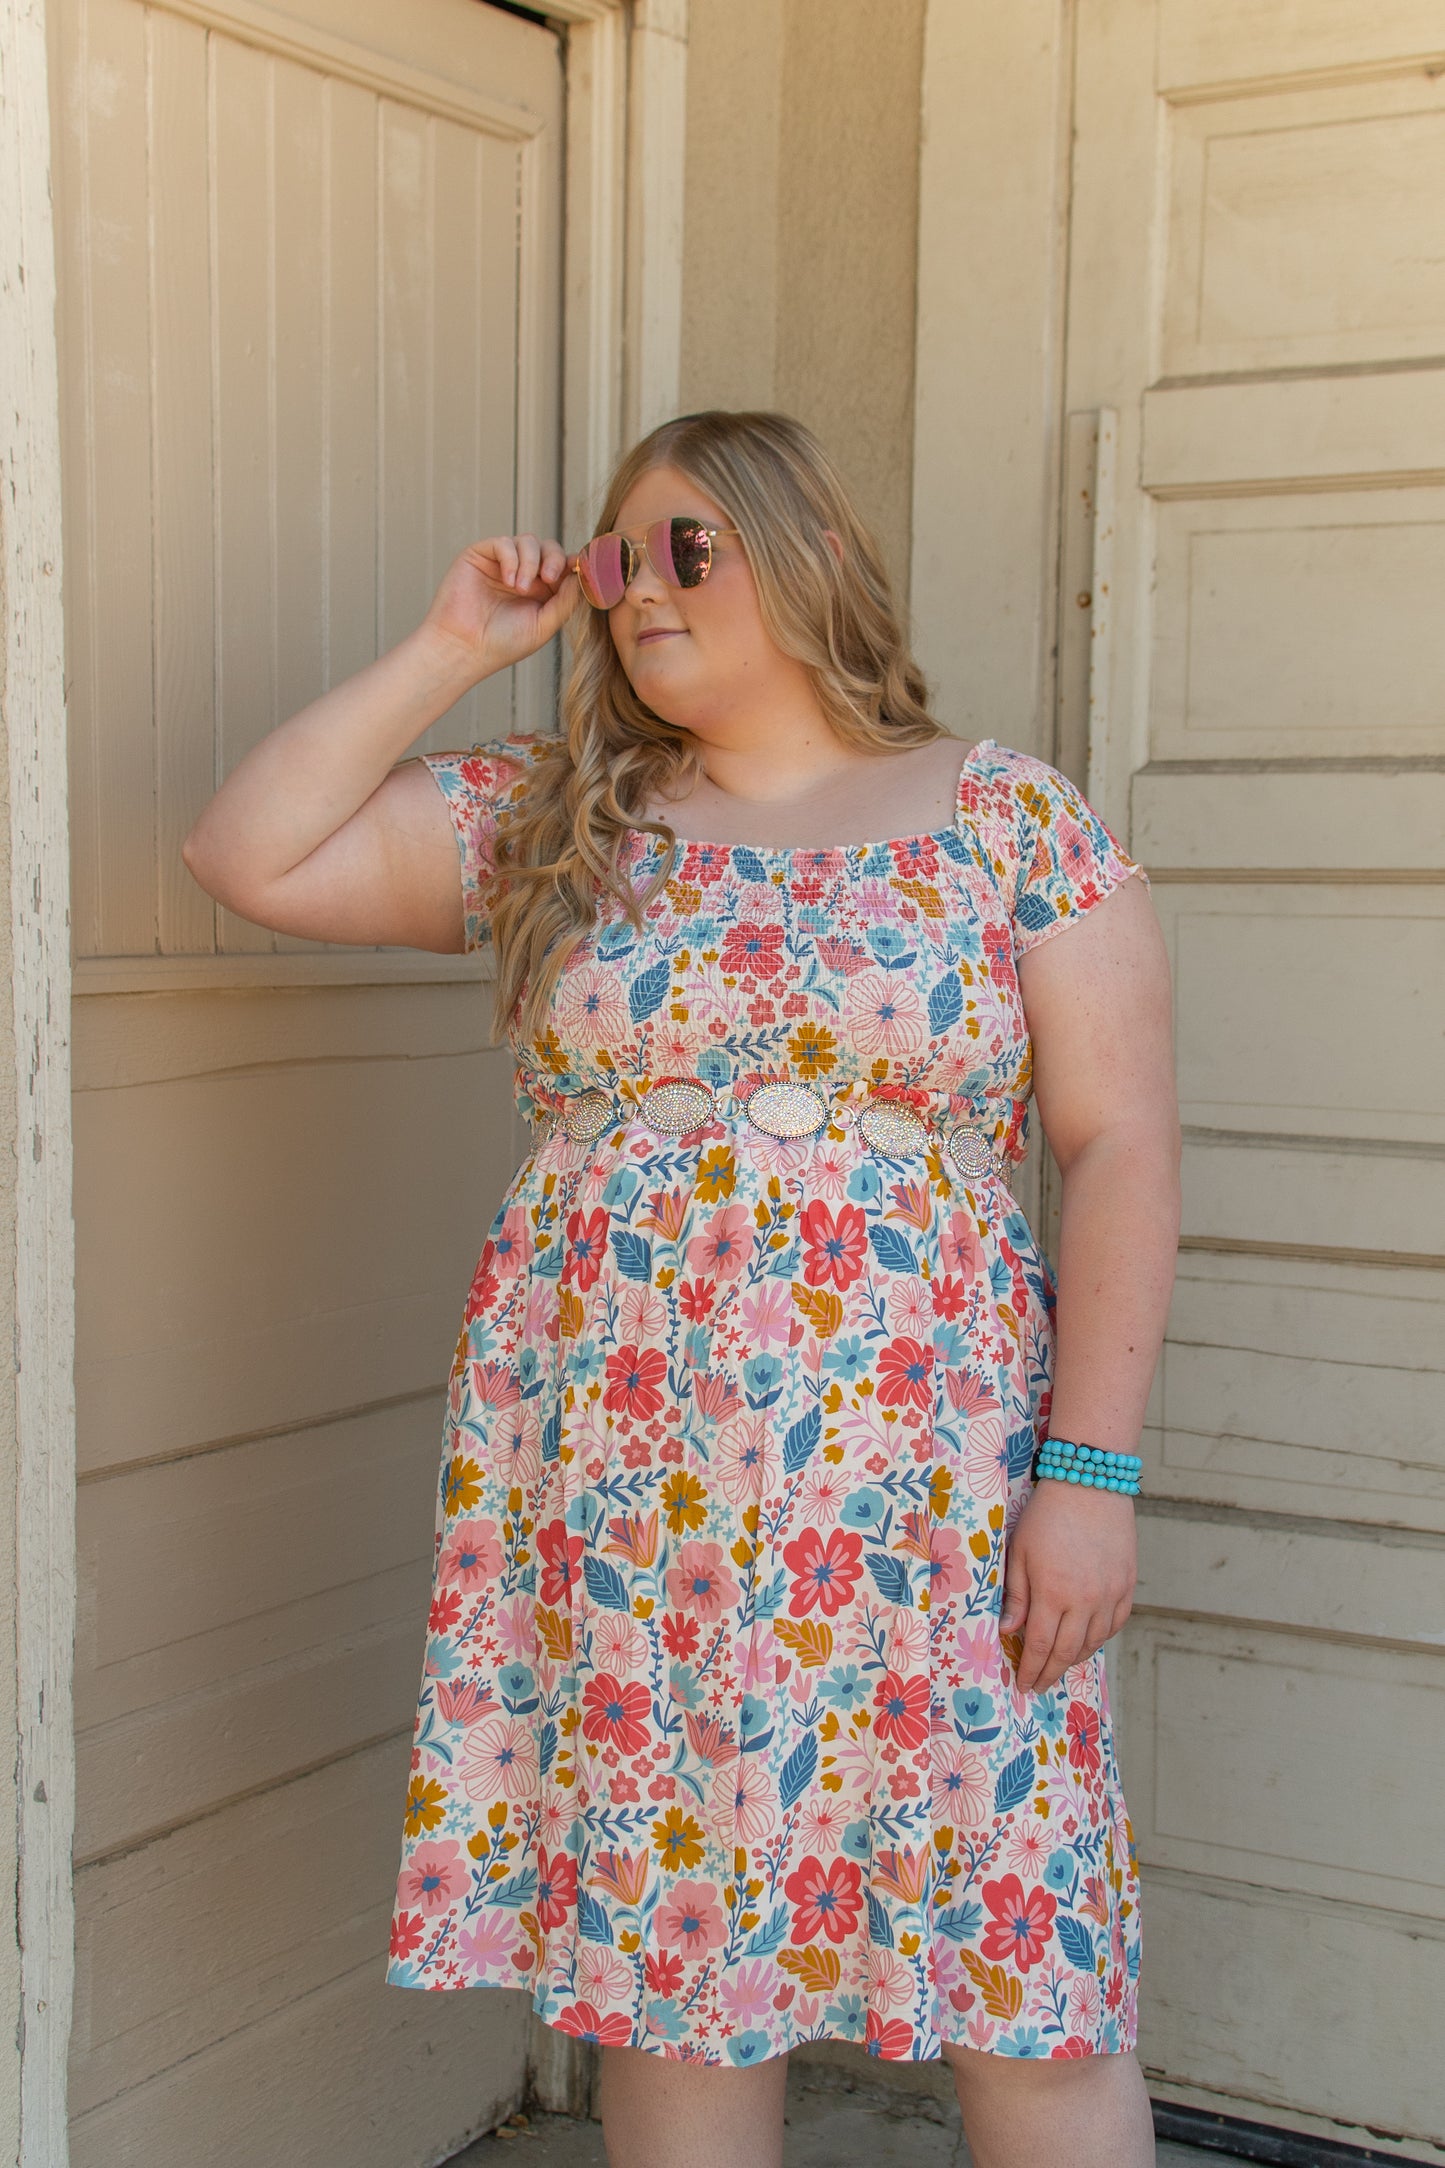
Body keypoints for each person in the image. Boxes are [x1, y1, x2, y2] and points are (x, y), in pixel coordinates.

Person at [182, 409, 1179, 2168]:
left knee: (1021, 1963)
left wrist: (1086, 1477)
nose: (638, 588)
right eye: (616, 556)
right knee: (677, 1976)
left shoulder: (1005, 818)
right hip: (641, 1505)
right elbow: (246, 853)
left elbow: (1116, 1150)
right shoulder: (565, 821)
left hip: (929, 1498)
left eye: (687, 549)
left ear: (807, 558)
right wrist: (449, 645)